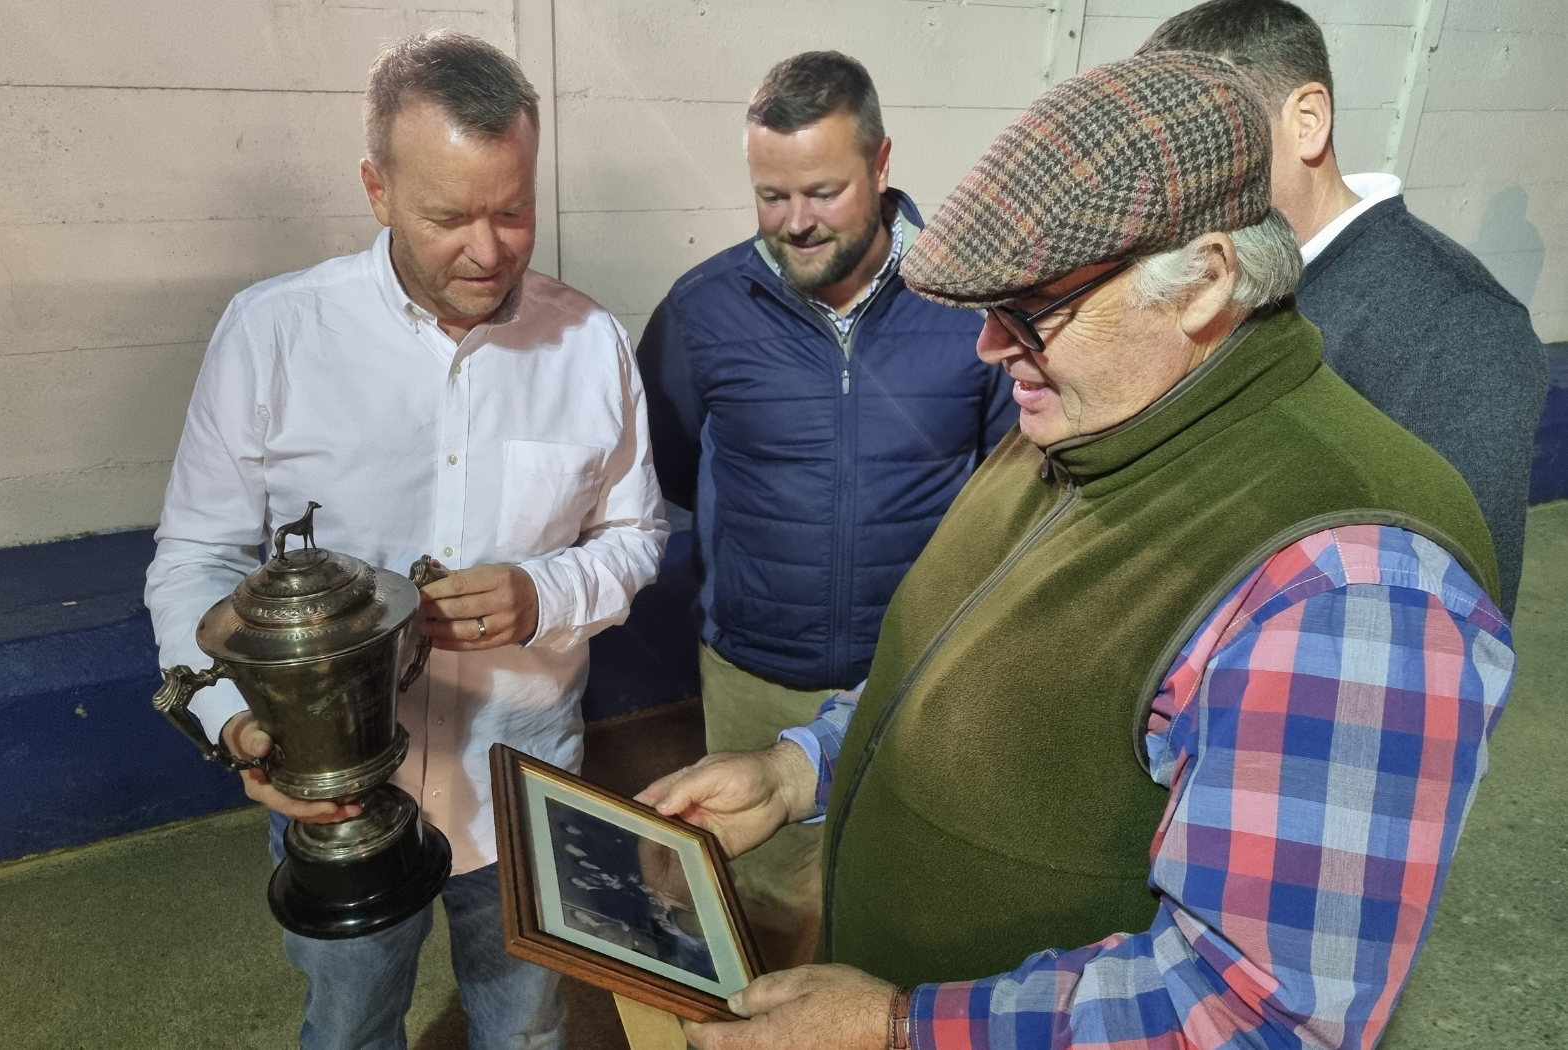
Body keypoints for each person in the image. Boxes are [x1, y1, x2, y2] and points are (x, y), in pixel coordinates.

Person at [636, 51, 1516, 1050]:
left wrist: (897, 1026)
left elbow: (1256, 1017)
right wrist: (802, 771)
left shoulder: (1354, 588)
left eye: (1031, 310)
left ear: (1205, 284)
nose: (989, 350)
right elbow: (966, 666)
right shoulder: (1091, 414)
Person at [144, 31, 666, 1050]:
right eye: (448, 216)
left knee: (523, 1025)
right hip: (334, 798)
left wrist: (544, 595)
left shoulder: (590, 344)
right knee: (349, 1027)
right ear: (377, 190)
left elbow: (636, 535)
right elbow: (197, 560)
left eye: (513, 210)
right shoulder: (274, 336)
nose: (489, 249)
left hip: (521, 777)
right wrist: (231, 720)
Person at [635, 51, 1017, 970]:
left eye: (823, 191)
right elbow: (677, 468)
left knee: (905, 880)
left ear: (882, 165)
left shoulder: (974, 304)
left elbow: (1013, 487)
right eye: (771, 197)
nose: (794, 224)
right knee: (766, 896)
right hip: (756, 669)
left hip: (920, 669)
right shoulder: (703, 310)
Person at [1139, 0, 1548, 618]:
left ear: (1307, 120)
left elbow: (1457, 624)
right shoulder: (1217, 274)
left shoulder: (1462, 326)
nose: (1179, 185)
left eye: (1205, 146)